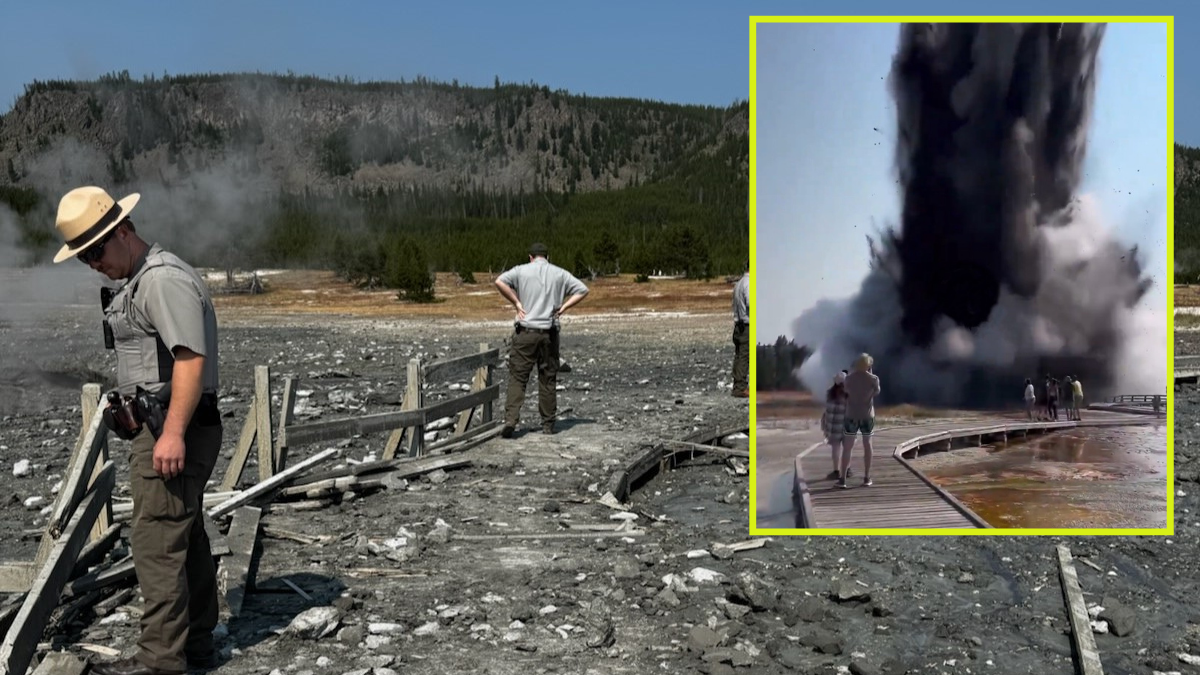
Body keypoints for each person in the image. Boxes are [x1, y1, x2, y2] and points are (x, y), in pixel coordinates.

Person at [52, 186, 222, 675]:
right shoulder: (142, 279)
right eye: (83, 256)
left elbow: (190, 359)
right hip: (167, 422)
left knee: (156, 542)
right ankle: (196, 648)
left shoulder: (161, 280)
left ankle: (161, 663)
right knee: (183, 535)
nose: (92, 263)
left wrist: (171, 434)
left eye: (96, 250)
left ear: (123, 231)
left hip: (172, 426)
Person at [494, 242, 589, 437]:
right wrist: (563, 308)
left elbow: (499, 282)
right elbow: (582, 289)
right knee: (547, 378)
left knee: (518, 378)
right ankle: (548, 424)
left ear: (530, 256)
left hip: (526, 330)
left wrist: (517, 302)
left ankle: (511, 419)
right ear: (547, 257)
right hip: (549, 331)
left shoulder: (521, 271)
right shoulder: (560, 273)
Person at [840, 353, 880, 488]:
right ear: (869, 365)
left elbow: (846, 391)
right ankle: (867, 477)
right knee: (867, 445)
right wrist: (870, 373)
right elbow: (876, 392)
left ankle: (843, 479)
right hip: (867, 415)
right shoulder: (874, 379)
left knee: (847, 447)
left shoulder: (849, 379)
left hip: (851, 415)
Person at [820, 371, 849, 479]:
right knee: (847, 449)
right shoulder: (849, 394)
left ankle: (836, 471)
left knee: (836, 449)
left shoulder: (830, 394)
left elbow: (828, 414)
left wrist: (826, 429)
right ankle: (847, 470)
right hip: (847, 427)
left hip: (834, 427)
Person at [731, 261, 750, 398]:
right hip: (747, 326)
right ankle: (740, 388)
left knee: (738, 357)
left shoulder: (738, 283)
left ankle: (737, 384)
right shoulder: (748, 284)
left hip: (738, 325)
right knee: (744, 357)